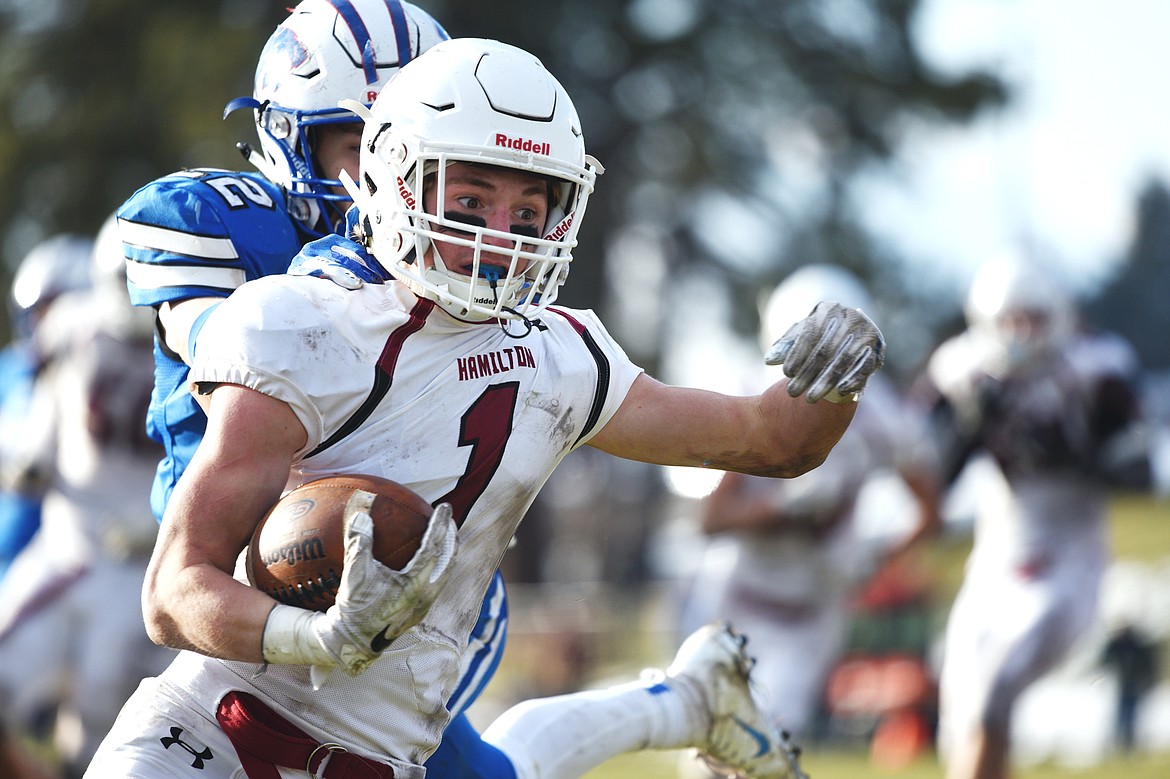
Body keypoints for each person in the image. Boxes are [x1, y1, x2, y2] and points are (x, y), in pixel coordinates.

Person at [86, 38, 884, 778]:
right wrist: (311, 635)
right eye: (470, 202)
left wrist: (836, 377)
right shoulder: (300, 322)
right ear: (394, 175)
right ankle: (688, 701)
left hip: (386, 756)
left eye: (528, 214)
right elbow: (173, 590)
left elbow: (772, 439)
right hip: (207, 737)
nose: (500, 238)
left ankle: (690, 700)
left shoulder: (564, 354)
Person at [114, 1, 513, 773]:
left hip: (398, 566)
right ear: (290, 136)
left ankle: (676, 701)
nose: (390, 169)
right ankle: (680, 700)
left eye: (413, 144)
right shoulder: (218, 222)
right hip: (229, 566)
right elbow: (215, 343)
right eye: (363, 141)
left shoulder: (459, 265)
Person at [678, 264, 943, 749]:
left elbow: (931, 510)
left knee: (765, 742)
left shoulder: (881, 414)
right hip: (739, 593)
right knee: (711, 748)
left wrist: (874, 558)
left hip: (815, 601)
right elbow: (709, 519)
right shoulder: (748, 393)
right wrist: (783, 506)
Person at [916, 250, 1151, 779]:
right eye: (1009, 320)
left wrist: (1073, 451)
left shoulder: (1095, 367)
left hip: (1069, 557)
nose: (1022, 332)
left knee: (995, 690)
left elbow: (1138, 473)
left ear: (1059, 317)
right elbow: (930, 476)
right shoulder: (964, 369)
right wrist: (970, 426)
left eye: (1034, 318)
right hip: (997, 555)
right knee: (963, 707)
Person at [0, 218, 174, 779]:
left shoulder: (198, 345)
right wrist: (30, 461)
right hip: (67, 549)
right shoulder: (72, 327)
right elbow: (46, 429)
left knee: (100, 736)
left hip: (139, 574)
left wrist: (162, 525)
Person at [0, 235, 94, 584]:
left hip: (79, 555)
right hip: (13, 555)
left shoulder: (110, 371)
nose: (43, 326)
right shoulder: (11, 371)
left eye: (50, 310)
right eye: (36, 314)